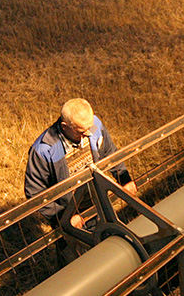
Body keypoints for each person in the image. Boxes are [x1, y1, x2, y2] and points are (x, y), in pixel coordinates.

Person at [24, 98, 137, 260]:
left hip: (99, 204)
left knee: (109, 253)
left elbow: (110, 153)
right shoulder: (44, 149)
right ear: (65, 126)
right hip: (71, 216)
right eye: (81, 131)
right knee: (78, 262)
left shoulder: (94, 125)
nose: (88, 134)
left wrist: (124, 178)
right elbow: (34, 191)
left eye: (90, 128)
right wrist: (63, 216)